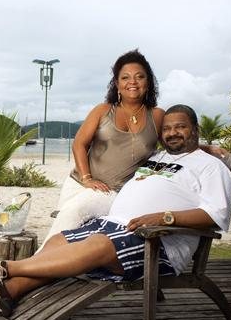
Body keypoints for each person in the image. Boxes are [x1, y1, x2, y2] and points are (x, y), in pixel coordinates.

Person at [0, 105, 231, 317]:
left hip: (157, 241)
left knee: (98, 246)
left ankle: (2, 269)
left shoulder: (211, 167)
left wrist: (165, 217)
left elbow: (214, 214)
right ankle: (8, 293)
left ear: (194, 129)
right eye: (168, 128)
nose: (173, 132)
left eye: (181, 127)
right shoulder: (158, 158)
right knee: (60, 240)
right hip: (115, 225)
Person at [44, 49, 163, 241]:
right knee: (70, 228)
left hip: (114, 192)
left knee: (74, 222)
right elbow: (79, 144)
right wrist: (87, 179)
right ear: (117, 84)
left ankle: (36, 265)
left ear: (148, 82)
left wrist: (206, 148)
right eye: (125, 77)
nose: (132, 82)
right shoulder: (103, 110)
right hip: (80, 184)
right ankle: (40, 264)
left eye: (139, 77)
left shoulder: (157, 116)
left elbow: (175, 143)